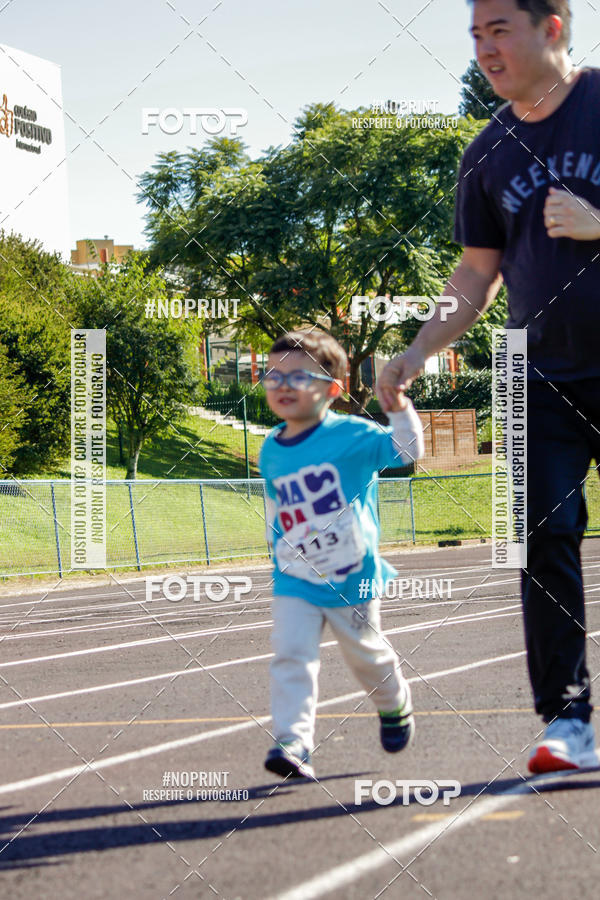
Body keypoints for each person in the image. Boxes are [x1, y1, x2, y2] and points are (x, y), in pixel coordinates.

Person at [378, 0, 600, 774]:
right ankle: (568, 720)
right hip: (542, 375)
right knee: (542, 536)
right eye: (475, 35)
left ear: (554, 26)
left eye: (499, 29)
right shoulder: (487, 152)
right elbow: (475, 275)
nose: (484, 49)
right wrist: (415, 352)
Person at [259, 330, 424, 779]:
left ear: (332, 388)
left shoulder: (353, 434)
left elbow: (406, 451)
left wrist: (399, 409)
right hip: (295, 576)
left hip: (354, 575)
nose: (283, 385)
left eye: (298, 376)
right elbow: (277, 506)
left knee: (366, 656)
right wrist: (277, 551)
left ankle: (394, 704)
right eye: (273, 376)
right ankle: (293, 742)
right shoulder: (271, 446)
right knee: (291, 654)